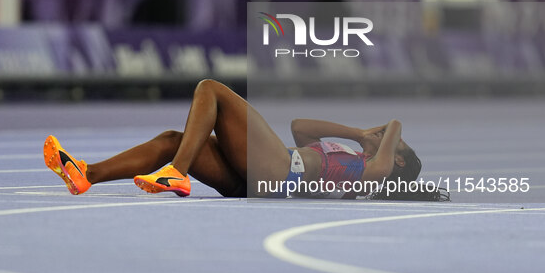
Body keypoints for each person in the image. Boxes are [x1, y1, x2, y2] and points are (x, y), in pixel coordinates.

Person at [44, 79, 421, 199]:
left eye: (394, 143)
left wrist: (394, 126)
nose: (385, 136)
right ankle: (86, 173)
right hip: (257, 177)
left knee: (210, 89)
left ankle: (178, 172)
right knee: (174, 138)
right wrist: (357, 133)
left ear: (398, 159)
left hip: (278, 172)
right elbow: (300, 126)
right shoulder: (352, 154)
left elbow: (389, 147)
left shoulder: (374, 173)